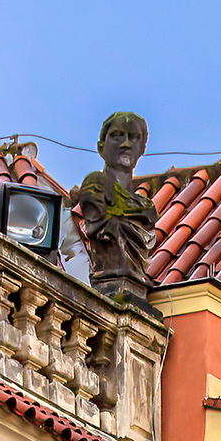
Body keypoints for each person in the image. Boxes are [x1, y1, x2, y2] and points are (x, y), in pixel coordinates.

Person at [74, 112, 156, 307]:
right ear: (101, 147)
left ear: (142, 148)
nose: (126, 143)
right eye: (117, 135)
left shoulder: (146, 207)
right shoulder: (96, 185)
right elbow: (99, 224)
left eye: (133, 137)